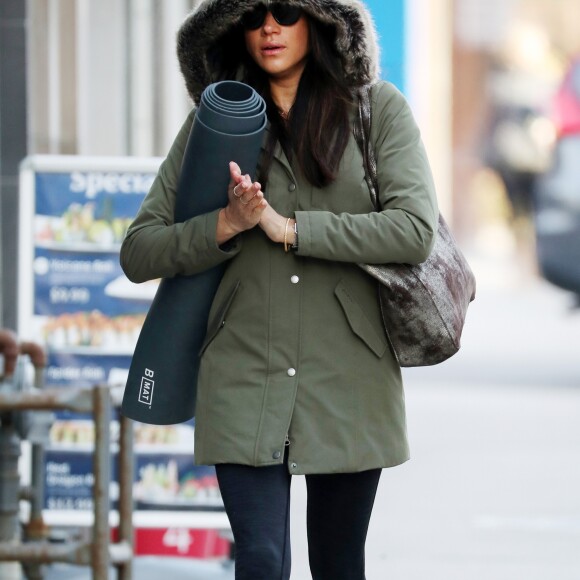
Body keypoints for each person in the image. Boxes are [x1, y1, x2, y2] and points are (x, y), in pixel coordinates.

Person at [120, 1, 439, 578]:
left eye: (287, 11)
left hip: (348, 377)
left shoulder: (378, 112)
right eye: (253, 15)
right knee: (261, 560)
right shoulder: (212, 125)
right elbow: (139, 250)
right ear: (231, 31)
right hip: (242, 374)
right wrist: (226, 226)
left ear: (320, 23)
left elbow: (414, 229)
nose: (269, 26)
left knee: (338, 564)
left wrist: (291, 230)